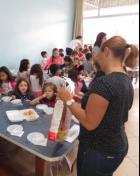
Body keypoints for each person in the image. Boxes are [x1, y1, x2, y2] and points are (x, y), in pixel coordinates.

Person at [58, 36, 139, 176]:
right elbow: (112, 107)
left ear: (106, 51)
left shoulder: (105, 83)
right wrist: (85, 97)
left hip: (99, 149)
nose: (97, 57)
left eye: (99, 53)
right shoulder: (126, 79)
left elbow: (89, 122)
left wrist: (68, 100)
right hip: (117, 145)